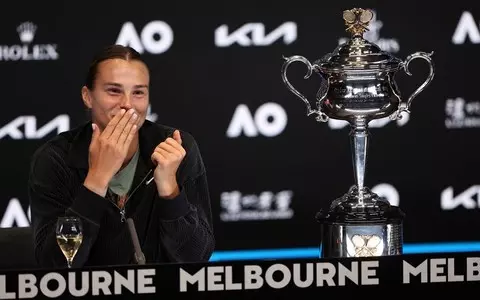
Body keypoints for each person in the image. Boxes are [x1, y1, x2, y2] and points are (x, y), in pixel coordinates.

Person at [28, 44, 215, 268]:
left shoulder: (175, 148)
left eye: (138, 92)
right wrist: (96, 180)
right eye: (114, 91)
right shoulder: (56, 159)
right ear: (87, 96)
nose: (127, 104)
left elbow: (196, 258)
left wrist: (170, 191)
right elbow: (55, 266)